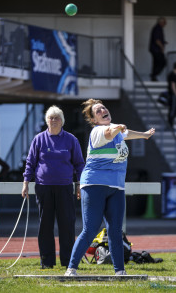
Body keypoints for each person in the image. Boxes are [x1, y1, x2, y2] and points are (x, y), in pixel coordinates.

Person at [65, 99, 155, 276]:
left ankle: (120, 271)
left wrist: (144, 135)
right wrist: (118, 127)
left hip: (116, 186)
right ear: (94, 120)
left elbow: (125, 133)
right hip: (94, 184)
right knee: (90, 229)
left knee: (115, 230)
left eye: (103, 107)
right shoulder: (97, 132)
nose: (103, 110)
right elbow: (110, 132)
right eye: (98, 111)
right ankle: (71, 268)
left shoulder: (117, 130)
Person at [21, 105, 84, 269]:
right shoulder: (39, 139)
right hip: (43, 187)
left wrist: (79, 184)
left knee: (67, 225)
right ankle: (47, 262)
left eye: (57, 118)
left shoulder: (71, 139)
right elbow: (30, 162)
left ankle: (68, 262)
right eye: (51, 117)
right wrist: (26, 182)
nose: (54, 120)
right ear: (46, 121)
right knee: (45, 226)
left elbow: (79, 164)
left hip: (64, 187)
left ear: (62, 121)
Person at [149, 17, 167, 81]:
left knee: (156, 63)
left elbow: (157, 39)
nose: (165, 24)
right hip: (156, 49)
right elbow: (157, 40)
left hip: (154, 49)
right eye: (164, 22)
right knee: (163, 62)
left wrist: (163, 42)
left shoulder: (157, 28)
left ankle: (153, 77)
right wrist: (162, 47)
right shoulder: (158, 28)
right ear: (161, 22)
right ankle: (153, 74)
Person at [167, 62, 176, 128]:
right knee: (173, 110)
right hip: (173, 95)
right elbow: (173, 86)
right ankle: (170, 124)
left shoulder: (172, 74)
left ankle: (170, 124)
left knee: (173, 110)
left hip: (172, 95)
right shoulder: (173, 75)